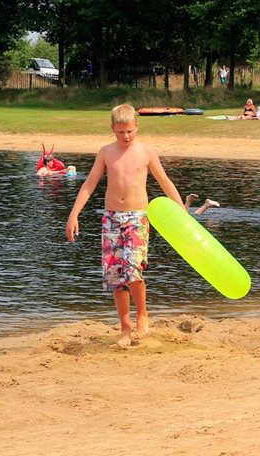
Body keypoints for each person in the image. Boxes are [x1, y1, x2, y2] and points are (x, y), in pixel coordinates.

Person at [65, 104, 185, 348]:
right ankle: (125, 328)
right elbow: (89, 184)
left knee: (132, 269)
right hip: (111, 218)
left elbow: (165, 181)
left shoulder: (146, 152)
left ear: (136, 128)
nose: (126, 136)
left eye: (130, 131)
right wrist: (74, 214)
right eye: (121, 132)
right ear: (112, 129)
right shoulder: (106, 152)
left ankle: (142, 314)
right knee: (116, 277)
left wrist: (182, 211)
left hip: (137, 217)